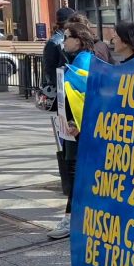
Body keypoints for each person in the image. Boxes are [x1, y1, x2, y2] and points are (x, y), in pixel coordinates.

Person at [47, 23, 95, 239]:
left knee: (76, 174)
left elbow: (86, 97)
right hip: (72, 129)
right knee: (77, 173)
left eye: (66, 37)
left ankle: (70, 220)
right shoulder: (76, 61)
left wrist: (77, 123)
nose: (63, 41)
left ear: (78, 39)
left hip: (78, 131)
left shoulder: (83, 62)